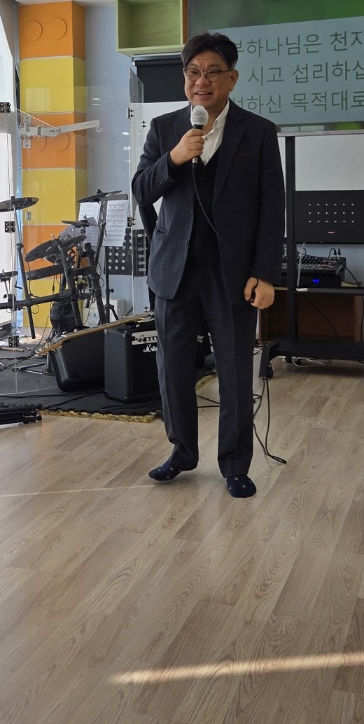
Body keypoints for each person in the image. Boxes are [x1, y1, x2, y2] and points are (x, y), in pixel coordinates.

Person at [132, 32, 284, 498]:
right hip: (174, 271)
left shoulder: (258, 131)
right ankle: (182, 452)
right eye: (193, 72)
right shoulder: (164, 129)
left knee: (235, 371)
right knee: (173, 368)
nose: (202, 81)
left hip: (232, 274)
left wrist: (266, 273)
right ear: (185, 79)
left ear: (231, 79)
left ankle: (235, 464)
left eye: (213, 72)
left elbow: (271, 206)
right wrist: (175, 159)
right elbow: (141, 190)